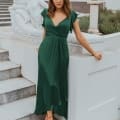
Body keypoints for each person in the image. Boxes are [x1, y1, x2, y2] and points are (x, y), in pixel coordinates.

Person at [34, 0, 102, 120]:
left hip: (61, 52)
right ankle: (49, 113)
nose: (58, 1)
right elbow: (45, 32)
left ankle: (54, 108)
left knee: (56, 81)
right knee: (48, 81)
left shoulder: (72, 15)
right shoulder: (46, 13)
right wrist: (40, 46)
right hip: (45, 51)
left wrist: (93, 52)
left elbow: (80, 37)